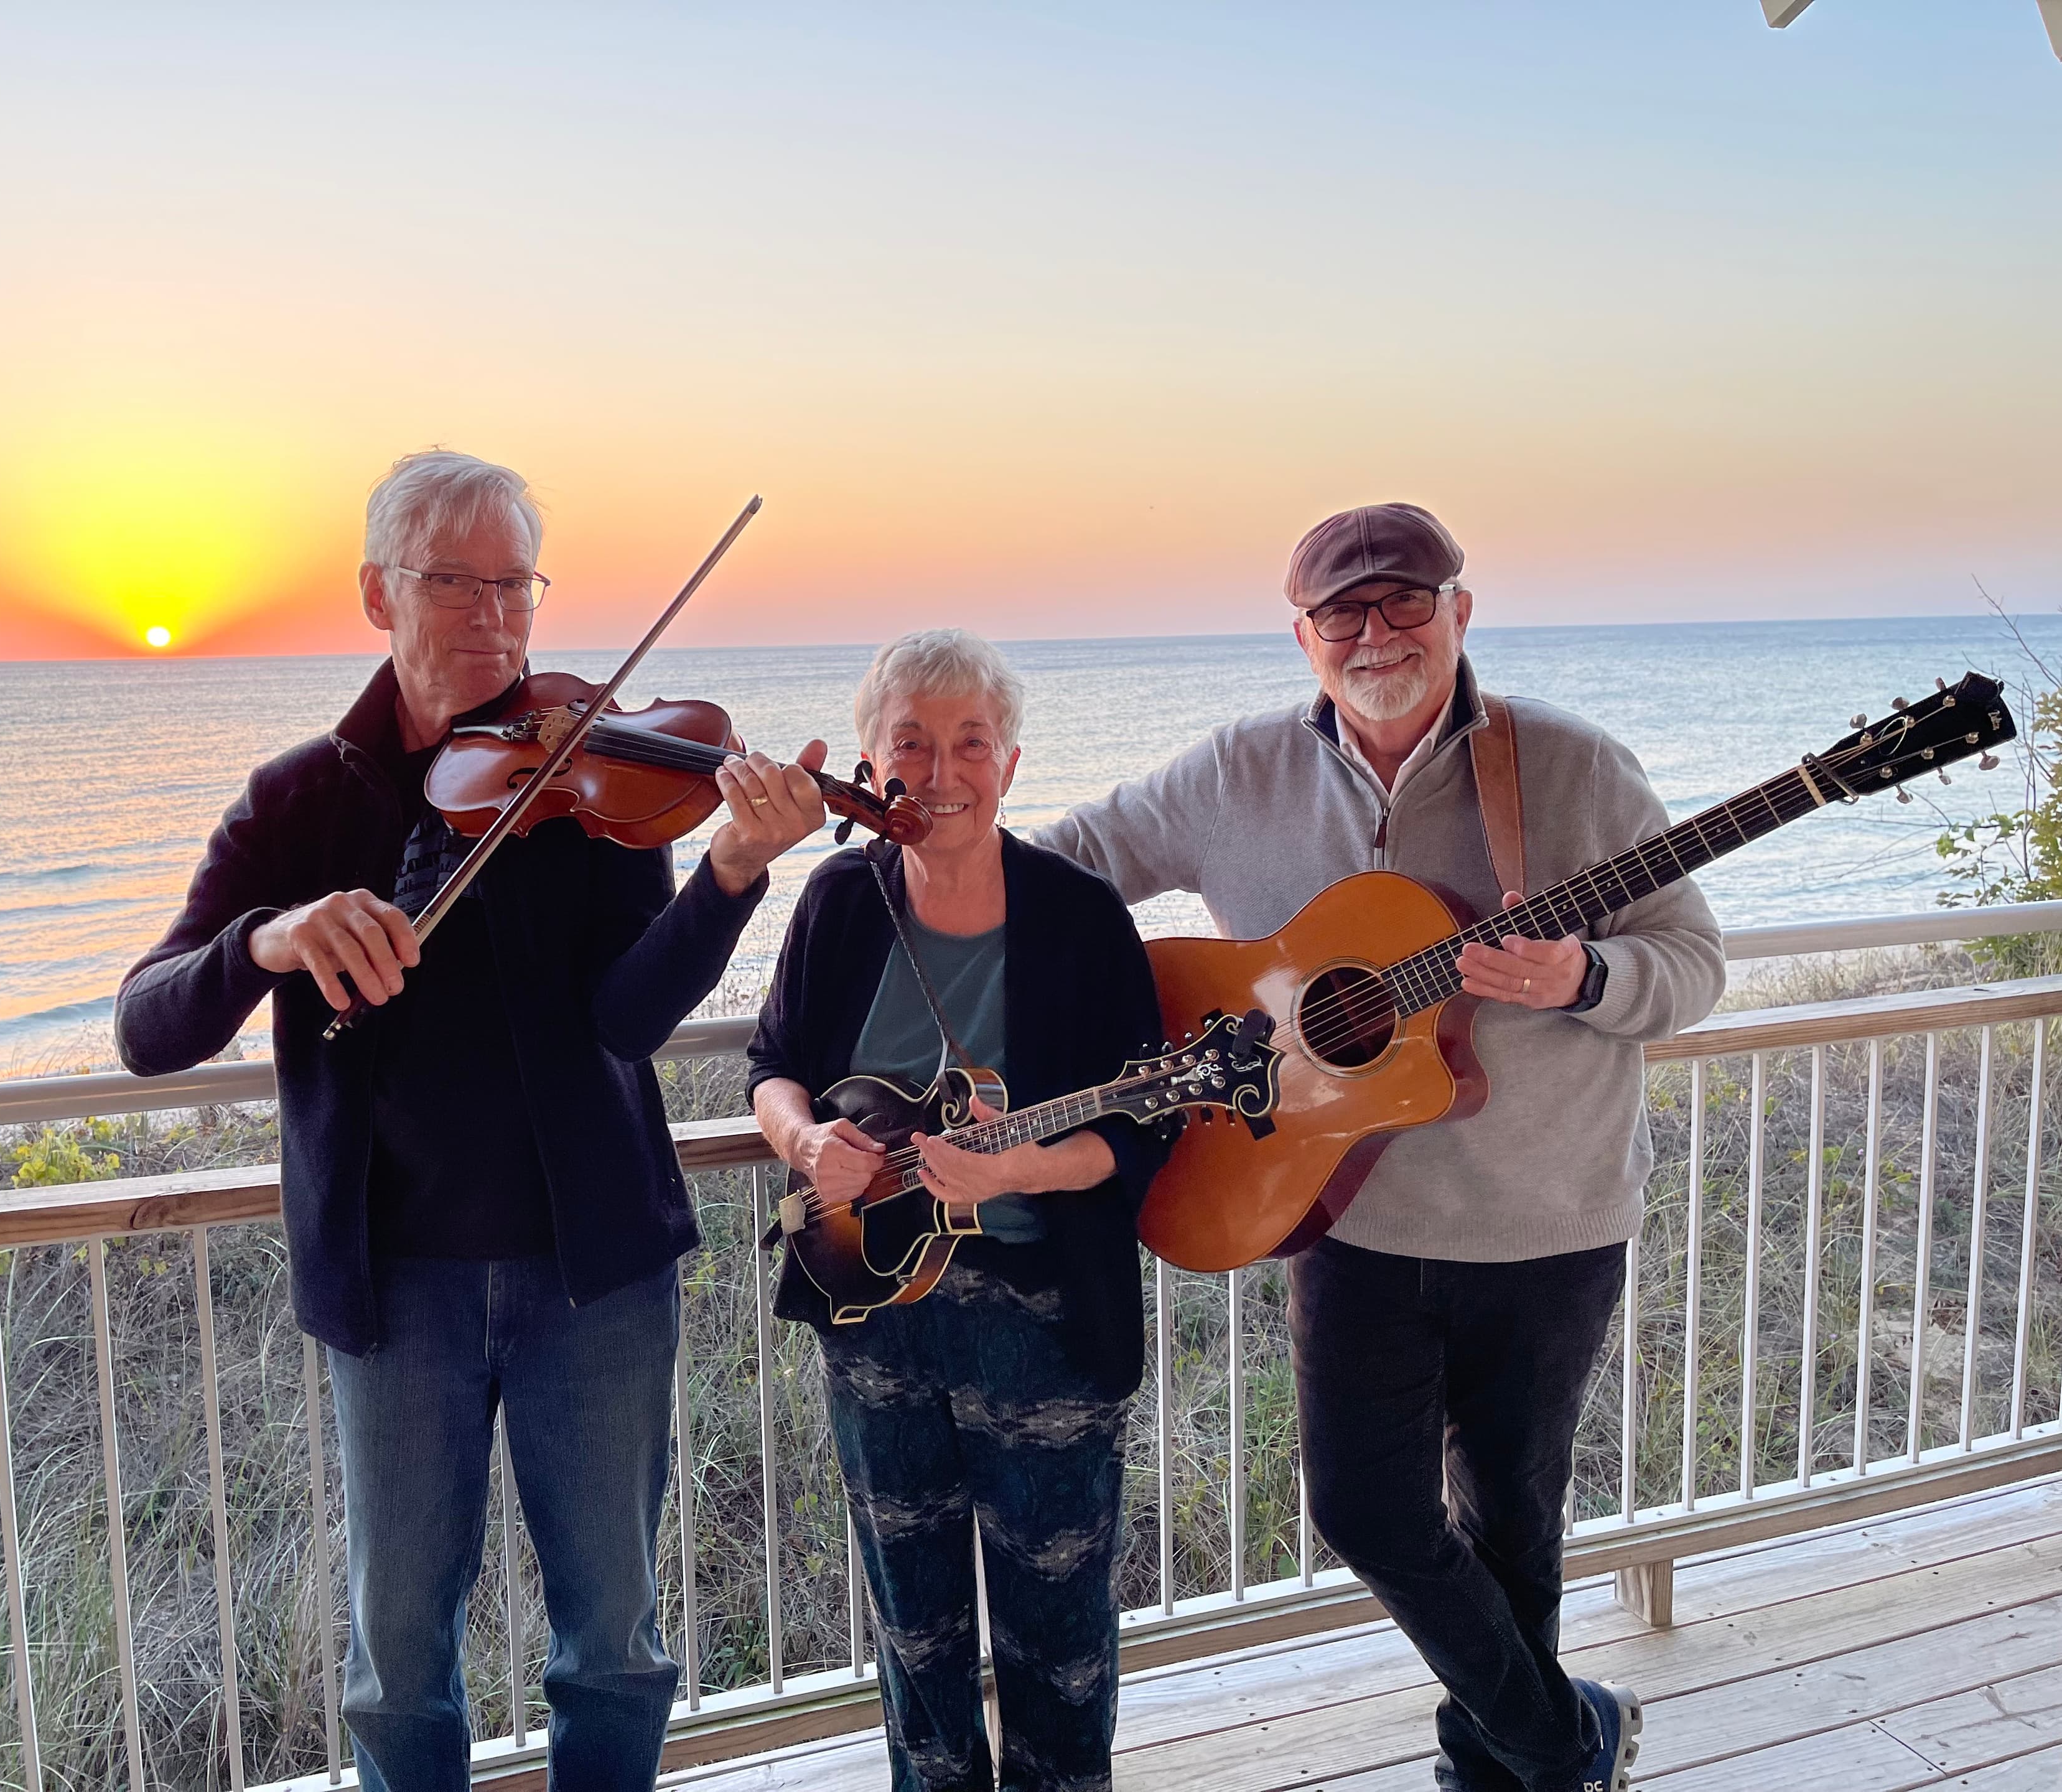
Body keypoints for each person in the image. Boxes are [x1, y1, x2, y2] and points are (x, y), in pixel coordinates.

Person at [114, 450, 828, 1792]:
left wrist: (731, 873)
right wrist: (268, 939)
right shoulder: (298, 801)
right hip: (396, 1295)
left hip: (595, 1276)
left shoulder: (588, 774)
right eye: (459, 584)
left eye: (518, 587)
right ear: (378, 591)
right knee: (398, 1665)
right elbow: (148, 1025)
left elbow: (629, 1018)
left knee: (614, 1649)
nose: (498, 621)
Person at [1038, 504, 1725, 1792]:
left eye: (1405, 601)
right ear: (1302, 636)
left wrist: (1584, 974)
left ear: (1462, 610)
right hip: (1344, 1219)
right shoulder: (1233, 774)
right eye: (1342, 613)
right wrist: (909, 877)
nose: (1376, 633)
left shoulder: (1572, 769)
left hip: (1548, 1219)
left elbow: (1692, 965)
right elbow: (1063, 870)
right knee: (1364, 1512)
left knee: (1514, 1526)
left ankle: (1502, 1770)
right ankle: (1571, 1739)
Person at [749, 628, 1170, 1791]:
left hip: (1044, 1325)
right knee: (915, 1633)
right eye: (913, 744)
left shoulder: (1081, 918)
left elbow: (1144, 1132)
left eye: (970, 743)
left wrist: (1016, 1170)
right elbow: (774, 1062)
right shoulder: (841, 898)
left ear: (1013, 763)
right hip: (872, 1309)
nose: (943, 773)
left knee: (1061, 1634)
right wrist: (804, 1140)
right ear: (876, 766)